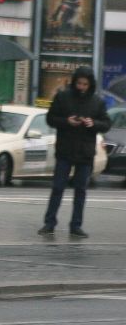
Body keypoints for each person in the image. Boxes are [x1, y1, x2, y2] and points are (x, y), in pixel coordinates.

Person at [39, 65, 110, 238]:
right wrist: (66, 121)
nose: (81, 87)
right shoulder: (63, 97)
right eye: (79, 83)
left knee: (81, 190)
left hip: (85, 152)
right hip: (65, 149)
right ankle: (49, 223)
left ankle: (76, 225)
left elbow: (106, 123)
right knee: (58, 187)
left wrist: (93, 124)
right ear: (74, 82)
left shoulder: (97, 101)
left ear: (90, 84)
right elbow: (50, 119)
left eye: (85, 84)